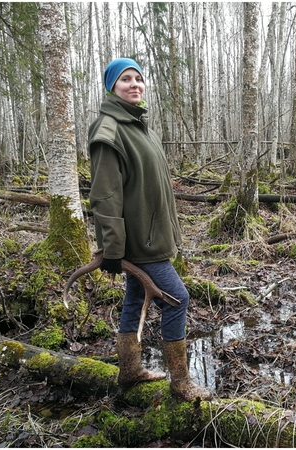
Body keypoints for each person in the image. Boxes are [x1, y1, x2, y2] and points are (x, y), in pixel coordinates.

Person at [88, 57, 209, 401]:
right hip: (138, 239)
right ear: (112, 86)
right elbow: (104, 195)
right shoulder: (108, 130)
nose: (134, 85)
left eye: (138, 79)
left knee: (136, 297)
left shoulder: (141, 127)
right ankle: (181, 383)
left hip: (152, 234)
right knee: (177, 299)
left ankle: (129, 371)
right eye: (125, 79)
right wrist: (112, 249)